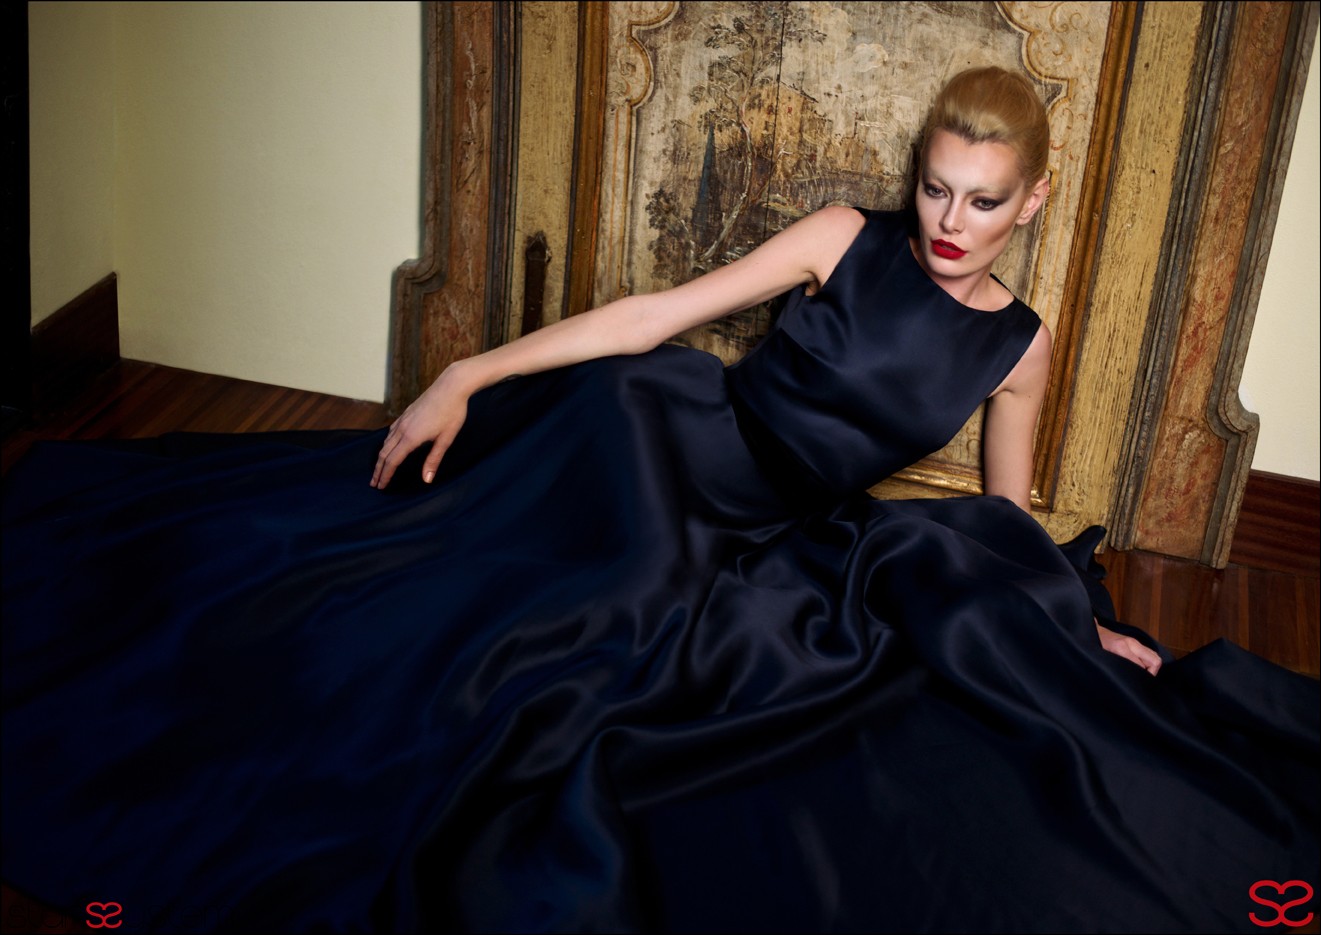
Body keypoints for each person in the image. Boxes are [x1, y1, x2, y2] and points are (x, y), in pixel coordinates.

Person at [2, 66, 1315, 935]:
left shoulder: (1017, 348)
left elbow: (1005, 512)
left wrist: (1073, 621)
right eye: (933, 186)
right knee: (479, 628)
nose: (948, 220)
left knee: (724, 682)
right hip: (655, 448)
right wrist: (465, 370)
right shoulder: (841, 239)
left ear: (1032, 201)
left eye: (981, 201)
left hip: (780, 528)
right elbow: (653, 316)